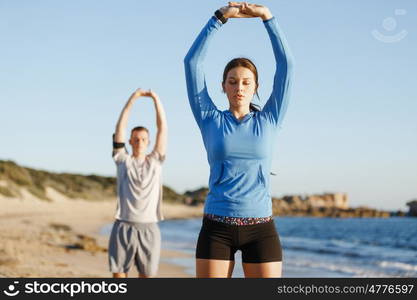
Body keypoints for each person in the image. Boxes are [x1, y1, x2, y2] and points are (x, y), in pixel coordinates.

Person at [184, 2, 293, 278]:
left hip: (261, 229)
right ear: (223, 86)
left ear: (256, 87)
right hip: (216, 228)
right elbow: (192, 63)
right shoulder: (209, 117)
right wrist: (219, 19)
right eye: (232, 81)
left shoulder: (270, 119)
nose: (239, 87)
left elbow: (286, 65)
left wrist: (267, 18)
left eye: (246, 82)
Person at [109, 88, 167, 278]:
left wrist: (155, 99)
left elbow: (162, 128)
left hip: (149, 227)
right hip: (123, 226)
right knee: (118, 277)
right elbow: (121, 126)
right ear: (130, 141)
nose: (139, 141)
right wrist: (133, 98)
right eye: (136, 139)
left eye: (143, 139)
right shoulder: (122, 160)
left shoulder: (156, 161)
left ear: (148, 141)